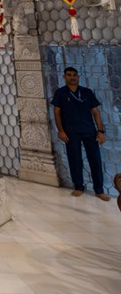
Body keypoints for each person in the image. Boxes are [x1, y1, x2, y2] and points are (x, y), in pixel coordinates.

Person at [52, 66, 111, 201]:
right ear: (64, 77)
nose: (72, 77)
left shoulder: (86, 92)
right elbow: (57, 112)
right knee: (75, 160)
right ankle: (78, 186)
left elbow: (95, 112)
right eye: (69, 75)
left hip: (89, 131)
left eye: (74, 75)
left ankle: (99, 190)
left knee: (95, 160)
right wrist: (60, 130)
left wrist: (100, 131)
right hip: (71, 133)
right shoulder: (61, 93)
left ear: (78, 77)